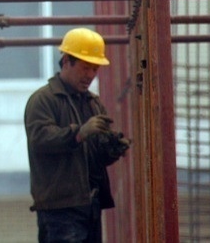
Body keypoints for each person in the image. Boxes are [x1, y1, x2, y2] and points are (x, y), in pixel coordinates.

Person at [24, 27, 130, 243]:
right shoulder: (43, 100)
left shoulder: (93, 103)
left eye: (94, 69)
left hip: (89, 204)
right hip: (59, 209)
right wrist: (79, 134)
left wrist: (112, 149)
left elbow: (93, 156)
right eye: (84, 68)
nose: (90, 76)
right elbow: (40, 140)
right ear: (66, 61)